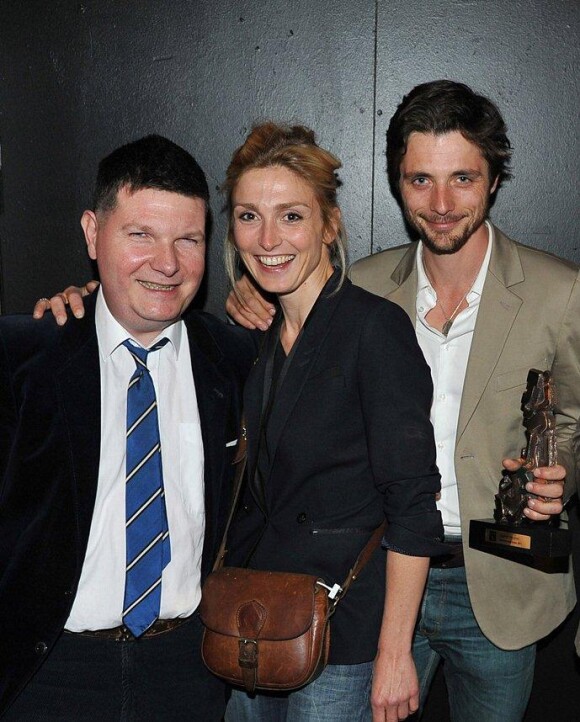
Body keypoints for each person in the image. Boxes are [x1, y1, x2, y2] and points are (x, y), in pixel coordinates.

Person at [224, 82, 580, 721]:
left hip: (499, 581)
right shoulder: (358, 286)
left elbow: (574, 416)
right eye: (420, 180)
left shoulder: (560, 292)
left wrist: (564, 476)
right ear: (396, 182)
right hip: (377, 582)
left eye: (463, 178)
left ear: (494, 178)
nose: (441, 204)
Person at [0, 135, 255, 720]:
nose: (166, 263)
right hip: (47, 674)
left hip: (188, 670)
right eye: (140, 235)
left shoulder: (237, 360)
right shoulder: (23, 360)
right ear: (93, 233)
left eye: (187, 239)